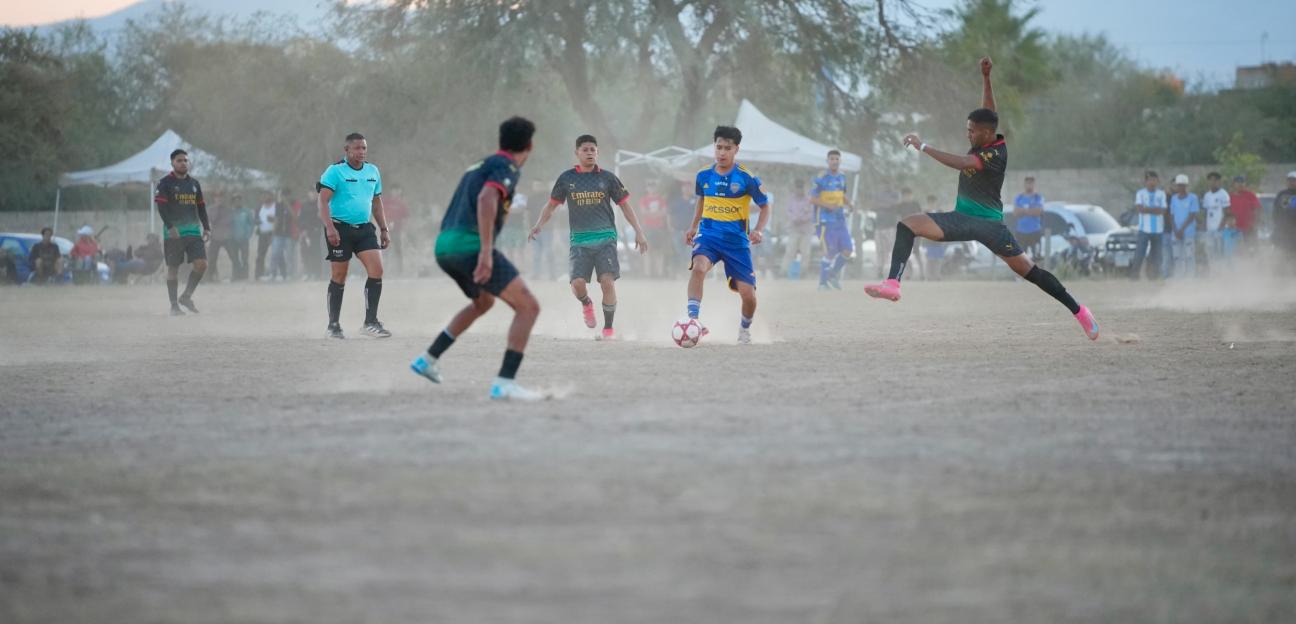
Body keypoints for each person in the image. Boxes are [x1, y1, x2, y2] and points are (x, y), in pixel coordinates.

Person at [863, 57, 1099, 341]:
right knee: (908, 225)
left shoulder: (993, 154)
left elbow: (963, 163)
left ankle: (1080, 311)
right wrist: (986, 77)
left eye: (972, 130)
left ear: (986, 133)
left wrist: (923, 146)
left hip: (990, 226)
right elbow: (990, 111)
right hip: (962, 219)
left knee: (1031, 272)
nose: (968, 133)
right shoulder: (985, 134)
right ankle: (893, 283)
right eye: (968, 129)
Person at [410, 116, 545, 401]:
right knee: (529, 308)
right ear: (529, 146)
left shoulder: (480, 165)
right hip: (470, 246)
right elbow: (486, 199)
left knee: (483, 302)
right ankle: (505, 382)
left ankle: (428, 359)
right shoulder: (506, 167)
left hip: (445, 246)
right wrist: (485, 252)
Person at [529, 134, 648, 341]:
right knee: (577, 283)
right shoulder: (567, 179)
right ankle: (586, 303)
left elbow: (625, 205)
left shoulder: (608, 178)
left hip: (606, 239)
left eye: (593, 149)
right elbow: (551, 206)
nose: (590, 153)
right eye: (585, 149)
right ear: (577, 153)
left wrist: (639, 231)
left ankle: (608, 329)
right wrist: (539, 224)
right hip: (579, 241)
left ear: (598, 152)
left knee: (607, 282)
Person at [683, 125, 772, 345]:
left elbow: (765, 207)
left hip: (737, 243)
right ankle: (693, 322)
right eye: (718, 147)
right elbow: (701, 200)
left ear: (736, 150)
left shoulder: (747, 178)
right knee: (699, 267)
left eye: (727, 148)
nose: (722, 152)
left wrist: (758, 230)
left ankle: (744, 329)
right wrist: (693, 226)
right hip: (709, 235)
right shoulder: (703, 175)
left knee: (748, 296)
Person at [318, 132, 391, 339]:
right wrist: (330, 228)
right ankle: (333, 325)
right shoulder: (335, 171)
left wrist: (384, 229)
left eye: (364, 148)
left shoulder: (373, 171)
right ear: (347, 150)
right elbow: (323, 201)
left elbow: (376, 202)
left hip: (364, 228)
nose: (361, 152)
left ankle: (370, 322)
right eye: (357, 148)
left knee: (377, 270)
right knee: (339, 276)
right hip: (340, 229)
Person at [155, 149, 210, 313]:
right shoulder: (164, 183)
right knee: (173, 268)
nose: (183, 163)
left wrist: (206, 227)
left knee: (202, 264)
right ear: (172, 163)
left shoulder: (194, 184)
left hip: (193, 231)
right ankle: (174, 305)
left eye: (186, 160)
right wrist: (170, 226)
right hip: (174, 233)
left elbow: (201, 206)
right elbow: (161, 207)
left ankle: (186, 296)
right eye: (179, 160)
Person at [811, 150, 854, 290]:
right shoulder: (821, 177)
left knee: (848, 249)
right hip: (824, 220)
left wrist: (850, 203)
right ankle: (822, 284)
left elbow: (841, 195)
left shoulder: (842, 176)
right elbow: (812, 199)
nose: (834, 161)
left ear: (840, 161)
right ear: (827, 161)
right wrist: (828, 205)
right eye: (832, 159)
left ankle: (832, 274)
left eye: (837, 158)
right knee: (830, 251)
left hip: (840, 219)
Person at [1129, 170, 1167, 280]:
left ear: (1158, 181)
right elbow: (1140, 209)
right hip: (1144, 229)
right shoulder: (1140, 193)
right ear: (1145, 181)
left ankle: (1153, 276)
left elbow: (1163, 210)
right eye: (1150, 180)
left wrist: (1148, 209)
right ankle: (1134, 276)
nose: (1152, 182)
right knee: (1140, 253)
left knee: (1157, 255)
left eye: (1154, 180)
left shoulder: (1161, 194)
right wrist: (1155, 209)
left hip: (1158, 230)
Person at [780, 179, 815, 279]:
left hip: (806, 230)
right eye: (797, 188)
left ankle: (804, 272)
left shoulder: (809, 200)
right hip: (794, 229)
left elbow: (812, 213)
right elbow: (788, 211)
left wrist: (802, 219)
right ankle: (784, 271)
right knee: (790, 251)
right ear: (795, 189)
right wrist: (794, 219)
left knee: (806, 252)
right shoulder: (791, 199)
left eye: (801, 188)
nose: (799, 190)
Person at [1168, 174, 1200, 278]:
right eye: (1179, 185)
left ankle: (1190, 277)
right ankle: (1179, 276)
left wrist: (1181, 229)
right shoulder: (1173, 198)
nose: (1181, 187)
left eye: (1183, 185)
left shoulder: (1193, 198)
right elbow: (1171, 215)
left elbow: (1192, 215)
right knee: (1177, 256)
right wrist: (1175, 230)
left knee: (1189, 256)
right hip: (1176, 232)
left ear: (1186, 185)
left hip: (1188, 231)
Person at [637, 178, 670, 278]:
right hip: (647, 228)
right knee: (647, 251)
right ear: (647, 188)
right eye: (650, 186)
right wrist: (656, 214)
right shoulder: (643, 200)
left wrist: (652, 214)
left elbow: (664, 212)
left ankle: (659, 273)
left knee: (659, 251)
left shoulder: (661, 200)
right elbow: (643, 212)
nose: (652, 188)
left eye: (653, 186)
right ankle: (647, 273)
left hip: (659, 228)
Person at [1200, 172, 1230, 274]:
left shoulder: (1223, 194)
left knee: (1220, 252)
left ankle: (1222, 273)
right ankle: (1213, 273)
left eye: (1215, 180)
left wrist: (1221, 227)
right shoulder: (1207, 195)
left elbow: (1227, 213)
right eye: (1211, 180)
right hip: (1209, 230)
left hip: (1219, 230)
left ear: (1219, 182)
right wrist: (1204, 227)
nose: (1213, 182)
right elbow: (1205, 213)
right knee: (1210, 253)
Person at [667, 178, 696, 273]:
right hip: (677, 232)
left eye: (688, 186)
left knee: (689, 254)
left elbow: (699, 215)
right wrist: (670, 227)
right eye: (684, 186)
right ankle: (679, 273)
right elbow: (669, 214)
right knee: (678, 254)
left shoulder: (695, 201)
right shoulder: (677, 201)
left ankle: (688, 272)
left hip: (690, 233)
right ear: (682, 188)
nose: (686, 188)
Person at [1012, 176, 1044, 260]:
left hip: (1034, 231)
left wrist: (1023, 211)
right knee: (1021, 258)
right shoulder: (1019, 198)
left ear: (1034, 184)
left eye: (1031, 183)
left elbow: (1038, 212)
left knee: (1036, 257)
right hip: (1021, 232)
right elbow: (1015, 213)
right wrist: (1030, 210)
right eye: (1027, 183)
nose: (1029, 185)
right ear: (1024, 184)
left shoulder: (1038, 197)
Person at [205, 191, 234, 282]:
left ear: (224, 198)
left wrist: (220, 222)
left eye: (221, 197)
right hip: (215, 237)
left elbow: (229, 221)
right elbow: (212, 220)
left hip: (226, 237)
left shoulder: (228, 209)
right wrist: (217, 209)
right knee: (212, 258)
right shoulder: (210, 209)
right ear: (214, 198)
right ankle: (211, 277)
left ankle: (237, 275)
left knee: (233, 256)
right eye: (217, 197)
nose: (219, 199)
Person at [383, 185, 411, 275]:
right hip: (386, 230)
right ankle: (384, 269)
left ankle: (399, 270)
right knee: (385, 249)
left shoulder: (402, 203)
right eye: (394, 190)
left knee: (397, 250)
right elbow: (379, 212)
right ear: (391, 191)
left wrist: (405, 229)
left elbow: (406, 217)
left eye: (398, 191)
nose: (396, 192)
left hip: (397, 230)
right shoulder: (386, 201)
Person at [1229, 175, 1262, 250]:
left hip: (1249, 229)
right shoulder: (1229, 197)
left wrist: (1255, 223)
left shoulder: (1250, 195)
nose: (1240, 184)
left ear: (1245, 184)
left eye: (1242, 182)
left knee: (1252, 250)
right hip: (1235, 229)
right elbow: (1227, 212)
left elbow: (1258, 209)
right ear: (1233, 184)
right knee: (1237, 251)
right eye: (1238, 182)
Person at [229, 193, 255, 281]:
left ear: (241, 201)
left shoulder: (247, 211)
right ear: (233, 202)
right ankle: (236, 275)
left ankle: (245, 275)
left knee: (245, 258)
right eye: (235, 201)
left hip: (244, 239)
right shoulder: (230, 212)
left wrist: (248, 235)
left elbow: (251, 224)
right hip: (233, 239)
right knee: (234, 258)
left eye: (238, 200)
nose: (237, 202)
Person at [270, 190, 294, 281]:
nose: (284, 198)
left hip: (288, 234)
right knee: (275, 253)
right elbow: (276, 218)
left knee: (289, 255)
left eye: (286, 196)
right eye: (283, 196)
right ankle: (273, 273)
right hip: (278, 233)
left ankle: (289, 274)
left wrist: (287, 205)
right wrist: (273, 233)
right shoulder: (278, 205)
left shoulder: (292, 204)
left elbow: (294, 216)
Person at [922, 195, 946, 280]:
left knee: (938, 258)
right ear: (928, 203)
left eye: (933, 202)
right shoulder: (925, 213)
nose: (932, 204)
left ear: (936, 203)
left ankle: (937, 275)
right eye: (930, 202)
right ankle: (929, 276)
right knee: (930, 259)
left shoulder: (940, 212)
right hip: (929, 238)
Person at [1274, 171, 1296, 262]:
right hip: (1284, 228)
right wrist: (1277, 224)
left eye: (1294, 180)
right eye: (1290, 180)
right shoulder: (1281, 194)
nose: (1292, 182)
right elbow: (1276, 211)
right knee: (1284, 250)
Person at [254, 191, 276, 280]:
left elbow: (280, 218)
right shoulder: (259, 207)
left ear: (271, 196)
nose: (265, 197)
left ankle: (277, 273)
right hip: (262, 234)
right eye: (263, 196)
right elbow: (255, 219)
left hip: (273, 233)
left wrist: (273, 220)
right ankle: (258, 274)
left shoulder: (276, 206)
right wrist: (257, 221)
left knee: (276, 254)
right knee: (260, 255)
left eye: (267, 195)